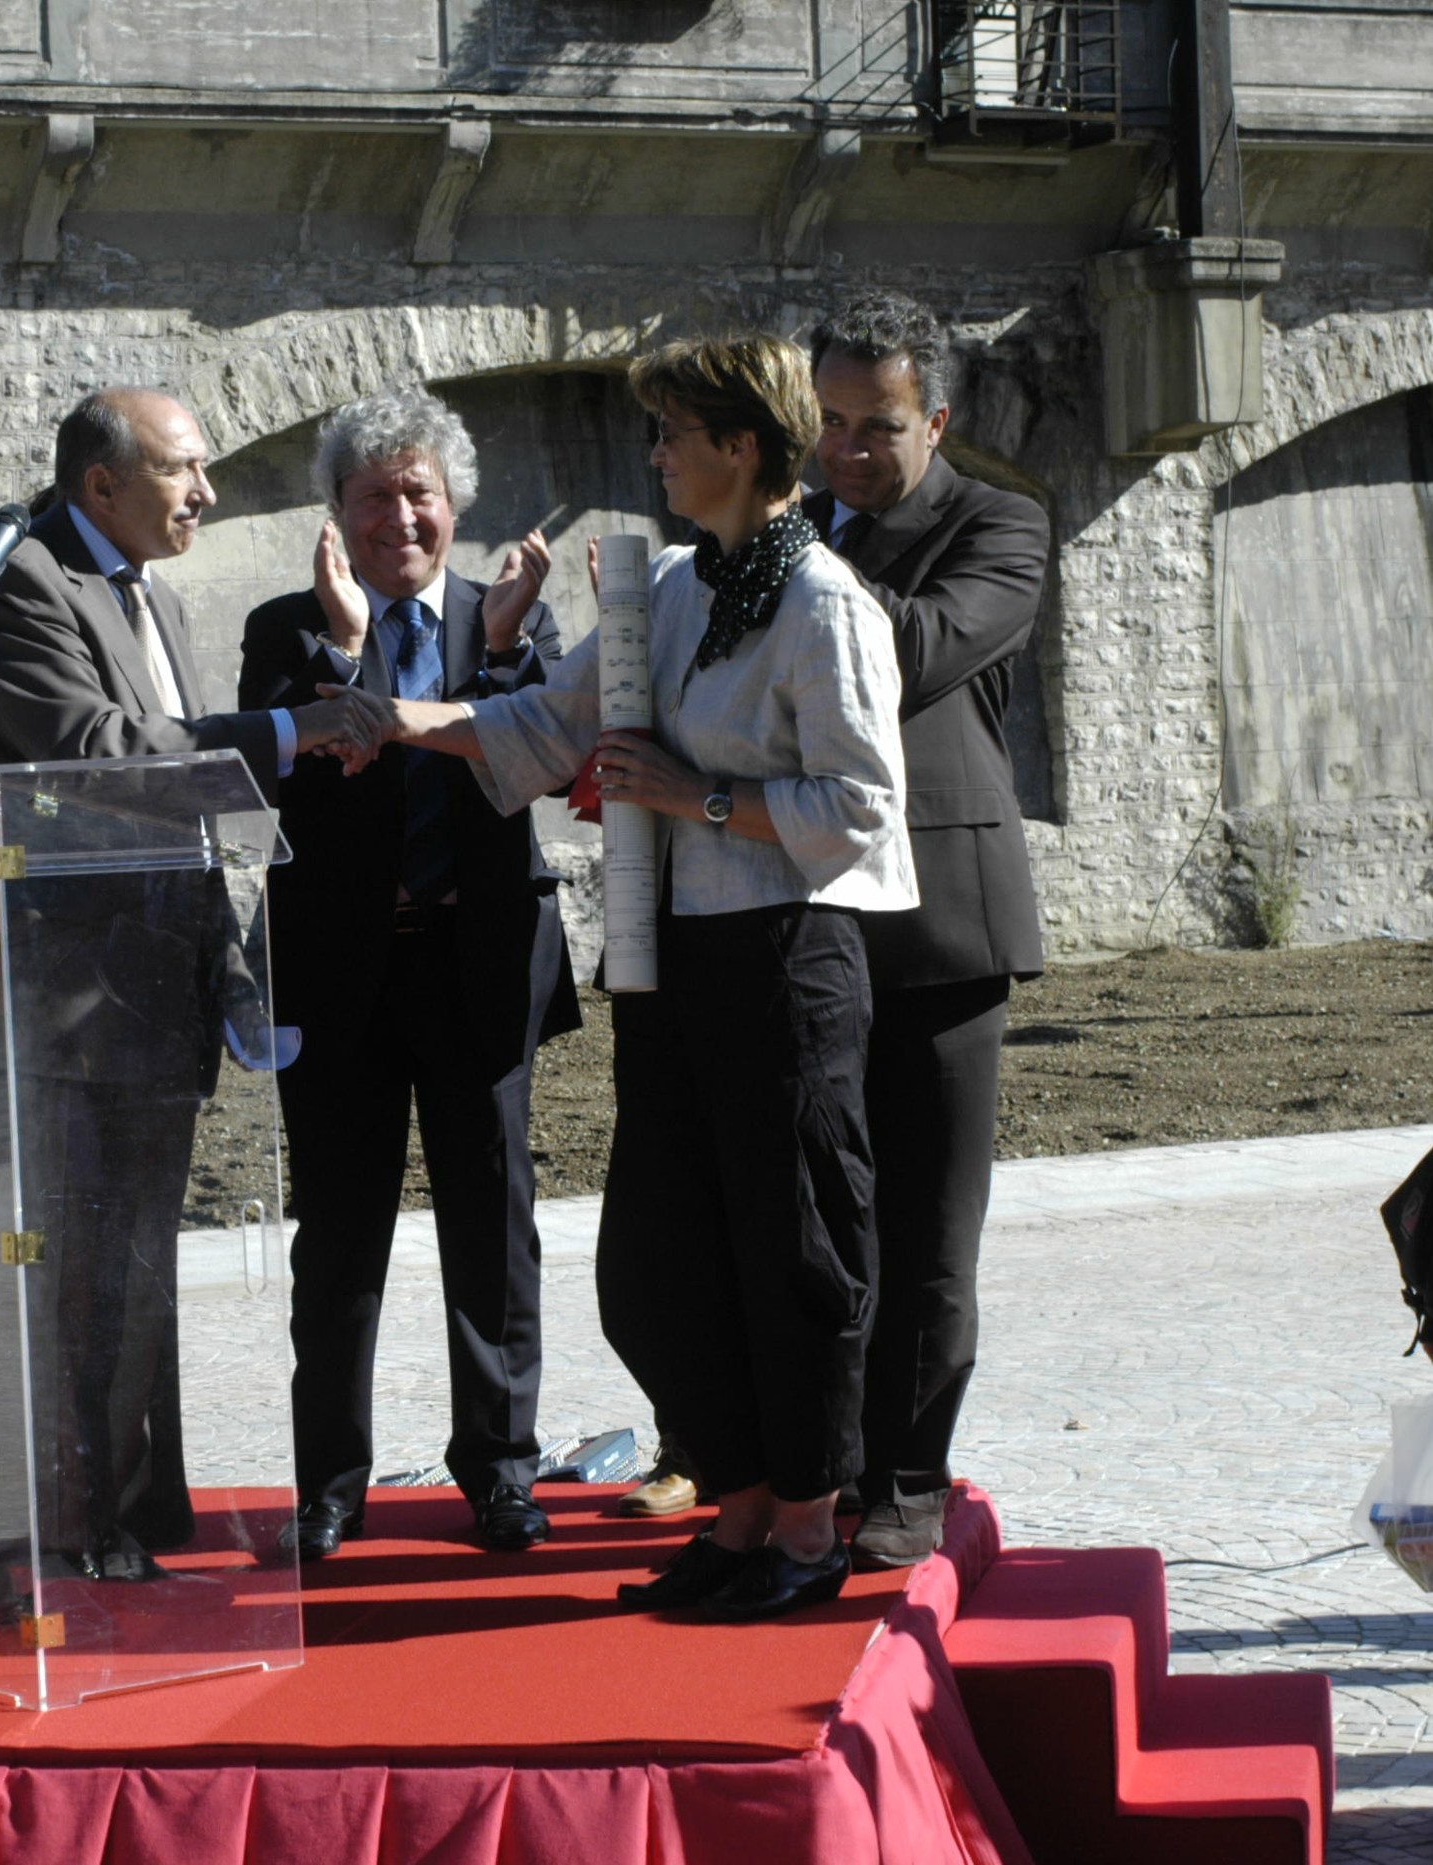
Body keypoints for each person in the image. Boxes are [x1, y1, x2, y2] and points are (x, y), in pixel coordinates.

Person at [366, 334, 915, 1619]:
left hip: (786, 953)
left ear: (739, 445)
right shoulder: (670, 585)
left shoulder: (824, 601)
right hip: (670, 960)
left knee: (793, 1248)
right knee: (663, 1257)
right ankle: (730, 1505)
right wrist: (391, 719)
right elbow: (548, 726)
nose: (655, 452)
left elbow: (859, 807)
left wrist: (703, 796)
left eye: (673, 430)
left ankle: (801, 1525)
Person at [0, 387, 390, 1586]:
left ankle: (134, 1504)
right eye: (185, 470)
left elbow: (185, 777)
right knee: (77, 1271)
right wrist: (290, 734)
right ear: (101, 485)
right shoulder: (24, 585)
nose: (207, 493)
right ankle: (63, 1521)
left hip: (157, 980)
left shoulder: (155, 590)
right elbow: (93, 756)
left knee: (137, 1261)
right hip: (62, 997)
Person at [238, 385, 581, 1559]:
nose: (399, 516)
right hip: (340, 973)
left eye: (419, 491)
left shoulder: (504, 620)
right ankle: (329, 1483)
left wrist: (496, 653)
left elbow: (526, 761)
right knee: (338, 1240)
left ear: (455, 503)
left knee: (494, 1228)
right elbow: (293, 769)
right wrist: (343, 650)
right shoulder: (287, 627)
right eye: (374, 494)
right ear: (336, 508)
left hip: (476, 961)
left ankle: (499, 1470)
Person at [806, 291, 1050, 1569]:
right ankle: (826, 1465)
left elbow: (891, 655)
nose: (847, 449)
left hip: (946, 934)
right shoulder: (787, 533)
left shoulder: (998, 522)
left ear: (935, 419)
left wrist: (771, 561)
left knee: (928, 1232)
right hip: (804, 926)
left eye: (877, 426)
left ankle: (907, 1479)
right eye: (829, 421)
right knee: (825, 1227)